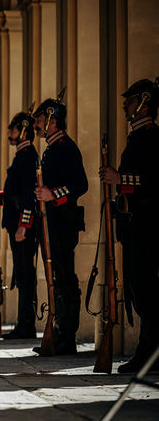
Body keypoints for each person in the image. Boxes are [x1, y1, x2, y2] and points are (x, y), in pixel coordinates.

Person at [99, 77, 159, 373]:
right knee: (139, 289)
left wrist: (120, 178)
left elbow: (153, 180)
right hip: (135, 224)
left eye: (132, 100)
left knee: (147, 290)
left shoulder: (151, 137)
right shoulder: (137, 137)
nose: (126, 105)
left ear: (145, 102)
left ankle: (150, 352)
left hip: (149, 223)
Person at [32, 94, 88, 356]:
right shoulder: (52, 148)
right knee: (57, 279)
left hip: (63, 223)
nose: (37, 125)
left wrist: (52, 194)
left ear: (53, 120)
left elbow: (80, 185)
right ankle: (59, 332)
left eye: (41, 119)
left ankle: (67, 337)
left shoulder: (65, 147)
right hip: (52, 223)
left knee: (65, 279)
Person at [0, 111, 38, 339]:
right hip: (17, 222)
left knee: (25, 275)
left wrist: (24, 225)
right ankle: (24, 324)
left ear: (23, 131)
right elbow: (16, 193)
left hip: (22, 225)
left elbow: (28, 196)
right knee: (22, 274)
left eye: (13, 129)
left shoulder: (26, 156)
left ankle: (26, 325)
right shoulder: (22, 155)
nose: (8, 133)